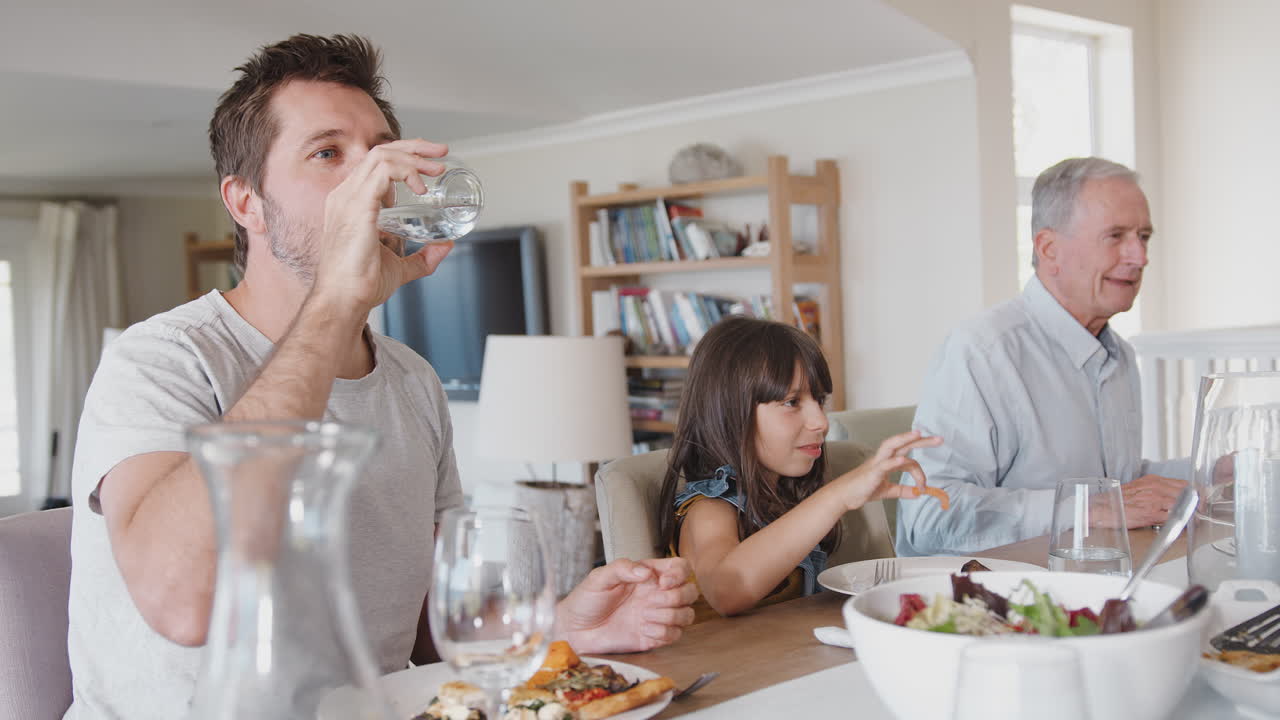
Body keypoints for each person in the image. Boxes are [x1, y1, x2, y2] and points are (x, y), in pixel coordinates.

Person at [63, 34, 695, 720]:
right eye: (328, 153)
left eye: (379, 152)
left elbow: (425, 619)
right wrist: (335, 300)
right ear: (245, 202)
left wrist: (558, 629)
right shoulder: (161, 360)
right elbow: (185, 604)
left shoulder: (411, 380)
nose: (375, 180)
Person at [895, 157, 1188, 557]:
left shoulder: (1119, 356)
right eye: (1116, 236)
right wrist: (1084, 509)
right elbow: (930, 516)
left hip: (1099, 584)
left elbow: (1120, 485)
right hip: (993, 602)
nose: (1140, 256)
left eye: (1144, 236)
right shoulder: (983, 351)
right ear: (1049, 249)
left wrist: (1213, 471)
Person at [656, 317, 944, 619]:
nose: (820, 421)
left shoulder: (784, 495)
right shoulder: (708, 510)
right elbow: (727, 590)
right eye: (792, 402)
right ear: (730, 411)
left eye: (819, 400)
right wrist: (838, 496)